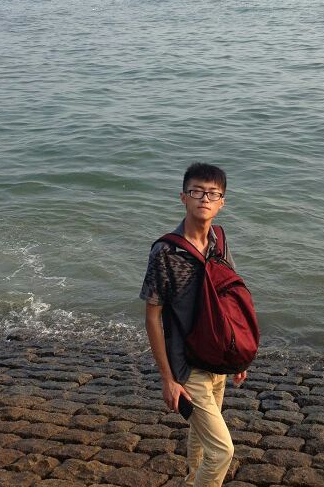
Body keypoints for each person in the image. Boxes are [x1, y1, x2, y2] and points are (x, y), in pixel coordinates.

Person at [140, 162, 246, 487]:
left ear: (222, 202)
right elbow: (153, 316)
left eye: (213, 194)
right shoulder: (165, 252)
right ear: (183, 197)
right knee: (222, 451)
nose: (204, 199)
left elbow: (230, 300)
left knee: (200, 436)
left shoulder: (219, 240)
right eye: (197, 191)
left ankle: (191, 480)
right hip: (188, 368)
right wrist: (167, 379)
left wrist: (238, 355)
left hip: (217, 360)